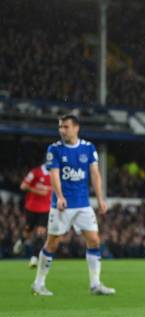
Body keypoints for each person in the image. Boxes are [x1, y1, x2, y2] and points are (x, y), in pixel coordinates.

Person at [31, 114, 115, 296]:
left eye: (66, 127)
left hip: (83, 204)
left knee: (94, 240)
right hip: (63, 205)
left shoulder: (88, 148)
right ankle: (38, 283)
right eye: (60, 127)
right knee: (52, 243)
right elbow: (54, 174)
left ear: (76, 128)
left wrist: (100, 198)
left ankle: (95, 284)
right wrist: (59, 196)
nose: (62, 130)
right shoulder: (54, 149)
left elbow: (95, 174)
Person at [13, 163, 52, 268]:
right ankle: (22, 240)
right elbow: (23, 186)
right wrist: (37, 191)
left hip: (45, 209)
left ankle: (34, 258)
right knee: (28, 230)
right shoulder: (35, 172)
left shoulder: (56, 173)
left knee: (40, 233)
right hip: (32, 207)